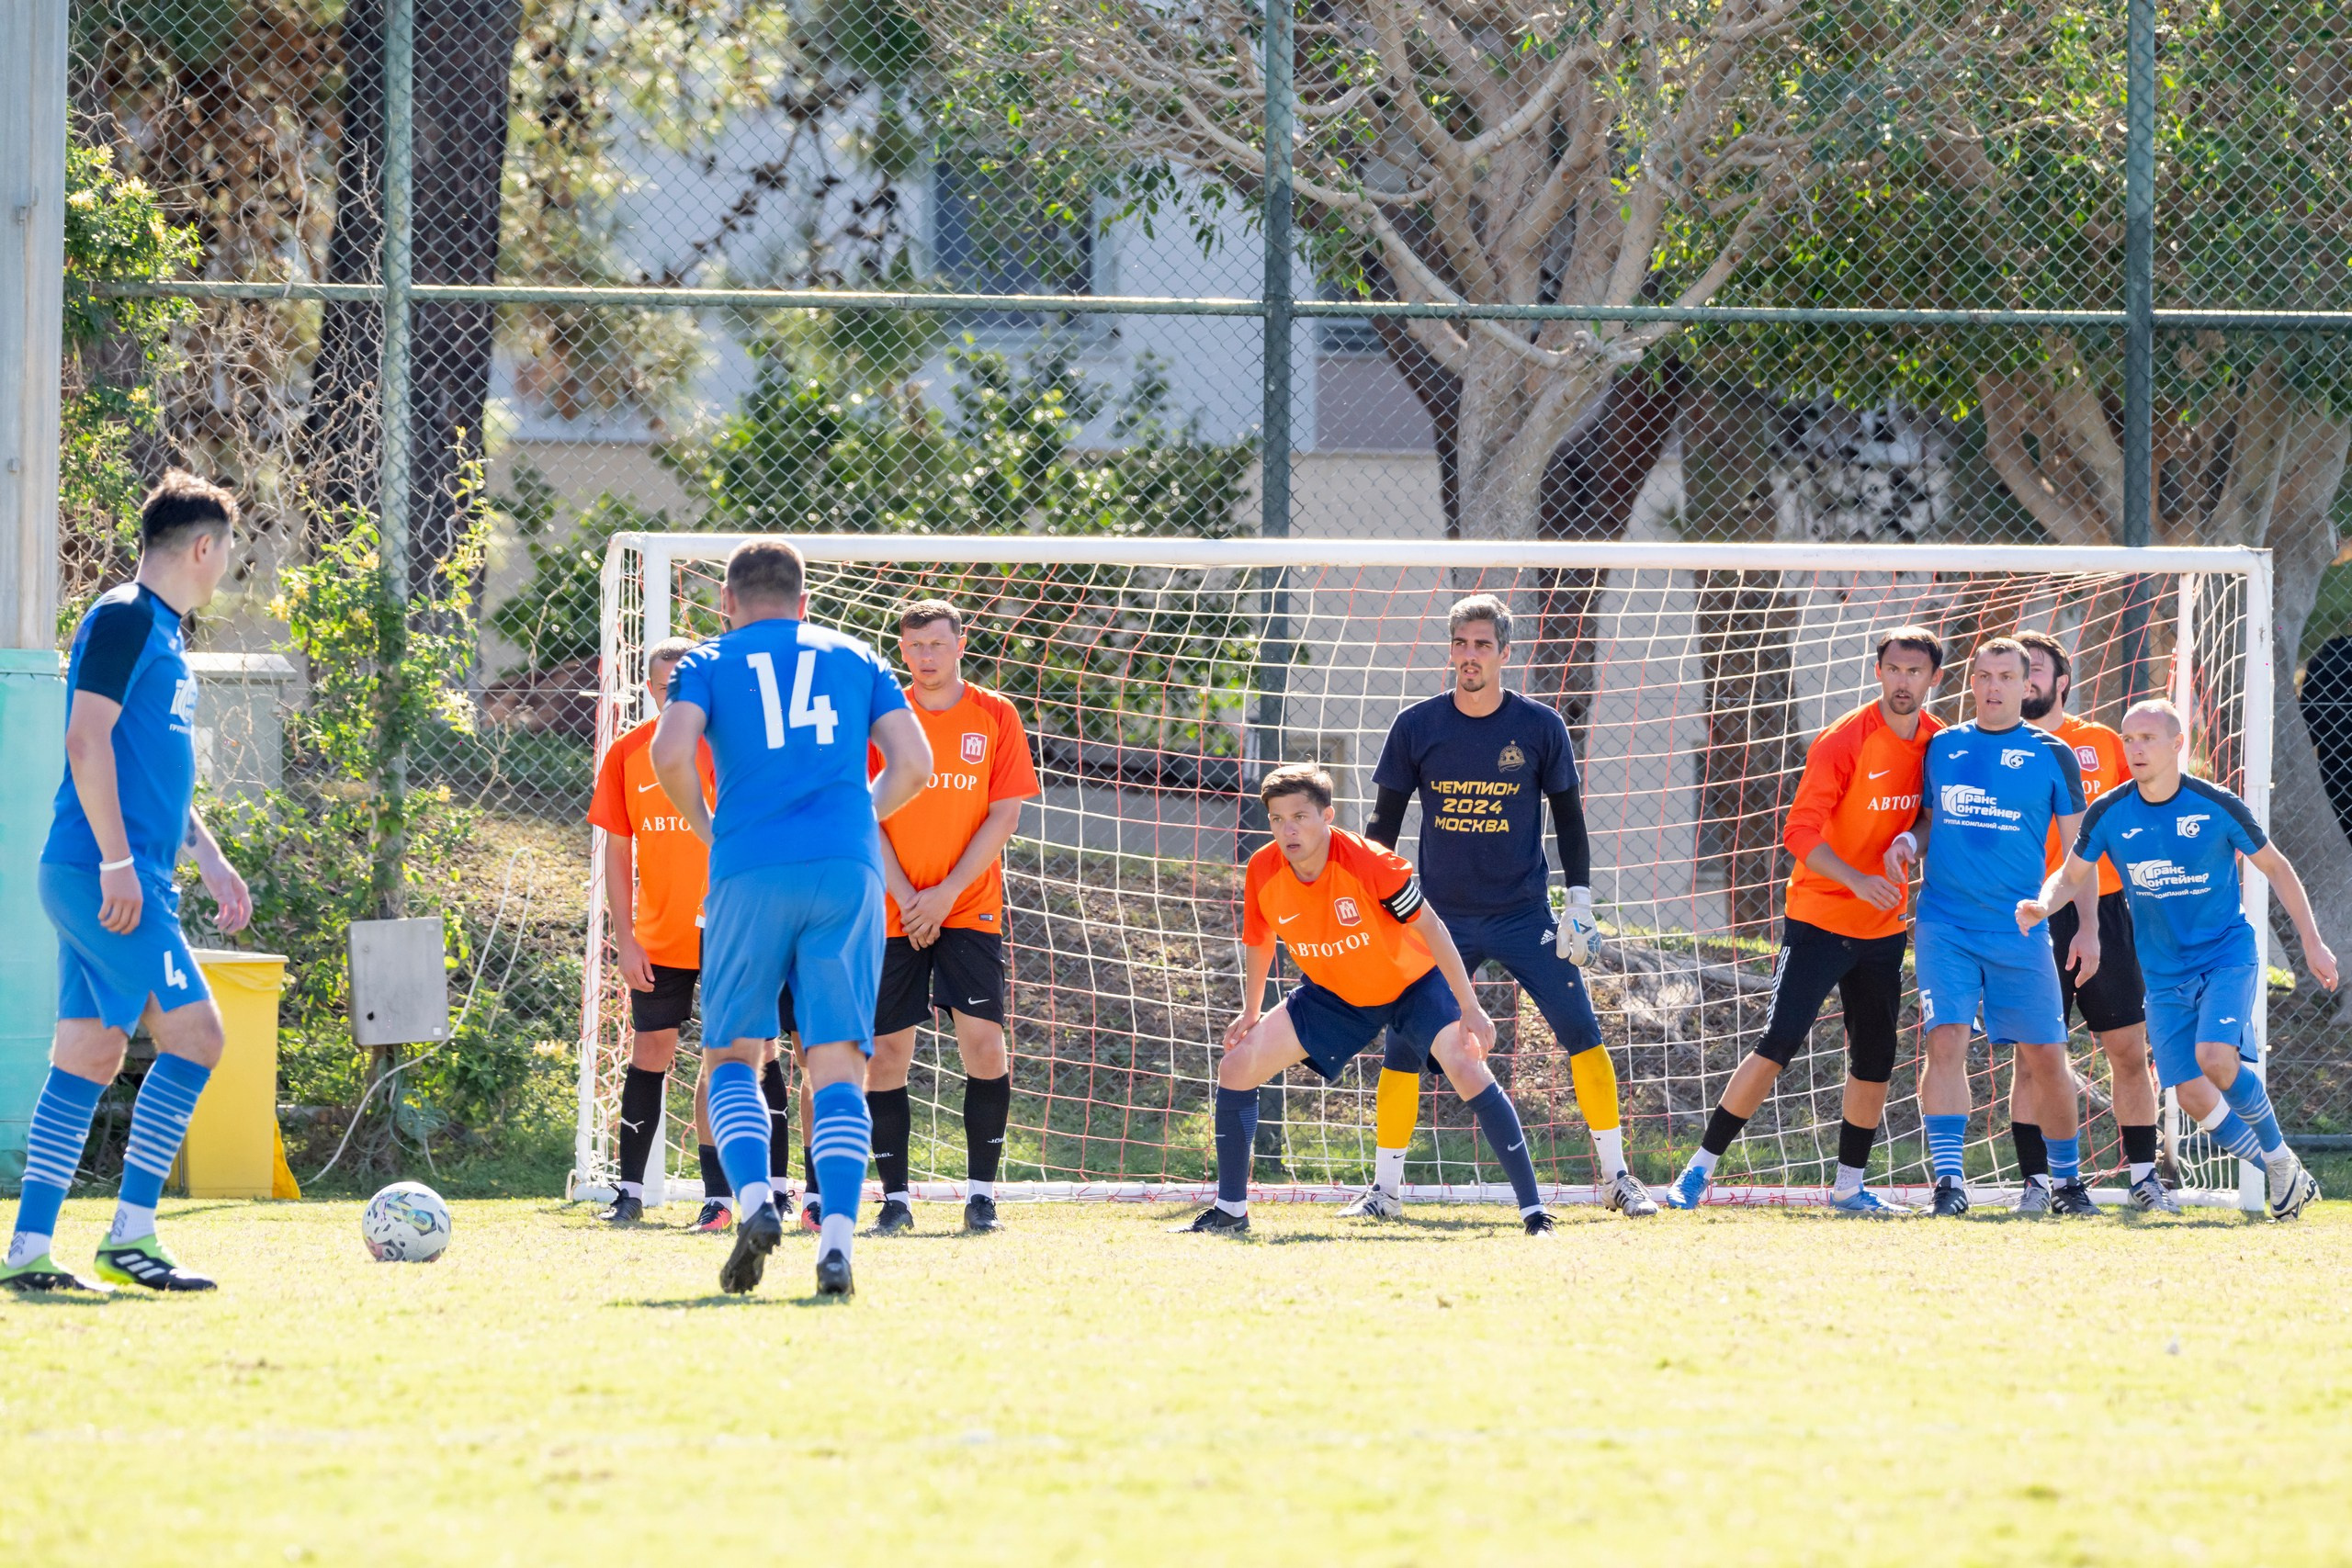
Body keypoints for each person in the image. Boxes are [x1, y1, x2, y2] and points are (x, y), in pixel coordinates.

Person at [650, 540, 931, 1298]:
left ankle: (752, 1202)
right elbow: (916, 765)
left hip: (750, 865)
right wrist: (858, 818)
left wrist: (709, 825)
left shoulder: (707, 660)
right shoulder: (860, 655)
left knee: (735, 1057)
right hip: (847, 869)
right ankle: (835, 1241)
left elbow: (670, 752)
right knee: (838, 1063)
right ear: (805, 602)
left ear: (727, 603)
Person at [2, 473, 254, 1294]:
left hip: (116, 874)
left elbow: (151, 771)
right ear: (203, 546)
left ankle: (30, 1249)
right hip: (101, 875)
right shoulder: (122, 617)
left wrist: (208, 854)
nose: (226, 567)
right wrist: (117, 862)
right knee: (199, 1035)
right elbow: (86, 742)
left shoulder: (167, 636)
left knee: (89, 1051)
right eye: (227, 550)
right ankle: (132, 1236)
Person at [1357, 594, 1653, 1219]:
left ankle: (1618, 1178)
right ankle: (1384, 1191)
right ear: (1451, 649)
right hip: (1437, 918)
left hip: (1524, 915)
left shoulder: (1541, 726)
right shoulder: (1417, 725)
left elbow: (1570, 819)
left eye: (1482, 644)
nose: (1469, 655)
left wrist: (1579, 901)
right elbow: (1382, 823)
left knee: (1582, 1032)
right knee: (1402, 1045)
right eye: (1461, 643)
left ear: (1505, 653)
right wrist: (1371, 902)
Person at [1183, 763, 1554, 1235]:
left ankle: (1534, 1213)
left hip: (1413, 986)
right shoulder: (1262, 869)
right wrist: (1252, 1011)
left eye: (1300, 816)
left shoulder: (1369, 862)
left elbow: (1433, 929)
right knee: (1237, 1065)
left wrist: (1469, 1006)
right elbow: (1260, 940)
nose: (1288, 829)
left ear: (1328, 817)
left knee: (1465, 1063)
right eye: (1277, 819)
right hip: (1337, 995)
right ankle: (1230, 1211)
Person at [1664, 626, 1945, 1214]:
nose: (1903, 681)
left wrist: (1907, 845)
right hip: (1819, 919)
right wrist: (1856, 880)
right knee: (1778, 1042)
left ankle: (1848, 1187)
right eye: (1894, 669)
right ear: (1879, 671)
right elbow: (1798, 833)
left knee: (1874, 1057)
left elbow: (1925, 819)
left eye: (1915, 672)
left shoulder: (1937, 743)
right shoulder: (1844, 741)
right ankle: (1698, 1171)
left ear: (1933, 679)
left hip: (1885, 929)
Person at [2020, 698, 2334, 1220]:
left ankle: (2278, 1157)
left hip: (2224, 955)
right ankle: (2283, 1170)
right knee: (2189, 1092)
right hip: (2163, 974)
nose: (2135, 748)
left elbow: (2276, 868)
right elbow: (2072, 875)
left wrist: (2312, 942)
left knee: (2216, 1059)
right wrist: (2043, 903)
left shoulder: (2217, 804)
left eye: (2147, 738)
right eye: (2128, 739)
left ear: (2176, 744)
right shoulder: (2110, 812)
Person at [587, 635, 794, 1233]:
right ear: (651, 690)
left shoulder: (741, 749)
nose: (678, 694)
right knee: (651, 1053)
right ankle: (629, 1191)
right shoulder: (628, 753)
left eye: (688, 683)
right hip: (660, 938)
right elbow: (618, 855)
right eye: (666, 685)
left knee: (753, 1055)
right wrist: (625, 937)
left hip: (737, 930)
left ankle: (748, 1193)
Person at [1890, 637, 2096, 1218]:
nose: (1993, 686)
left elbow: (2081, 854)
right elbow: (1929, 823)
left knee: (2046, 1057)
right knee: (1946, 1039)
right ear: (1972, 681)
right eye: (1983, 675)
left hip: (2021, 928)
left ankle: (2068, 1183)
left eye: (2005, 676)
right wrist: (1910, 840)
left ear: (2027, 683)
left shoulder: (2052, 754)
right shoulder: (1944, 747)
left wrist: (2087, 928)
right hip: (1945, 923)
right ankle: (1949, 1184)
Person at [865, 600, 1041, 1235]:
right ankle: (896, 1199)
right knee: (886, 1054)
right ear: (903, 650)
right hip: (894, 907)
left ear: (960, 643)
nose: (927, 658)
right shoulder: (883, 717)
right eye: (915, 648)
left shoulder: (996, 714)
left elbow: (1005, 814)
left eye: (938, 644)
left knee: (984, 1045)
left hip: (967, 905)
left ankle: (982, 1195)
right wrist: (909, 895)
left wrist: (943, 895)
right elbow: (866, 813)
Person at [2016, 629, 2172, 1212]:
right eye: (2015, 669)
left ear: (2061, 682)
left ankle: (2144, 1181)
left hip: (2104, 909)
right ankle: (2039, 1184)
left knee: (2129, 1050)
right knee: (2034, 1056)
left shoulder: (2101, 742)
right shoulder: (1997, 745)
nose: (2024, 678)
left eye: (2034, 669)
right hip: (2031, 915)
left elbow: (2143, 812)